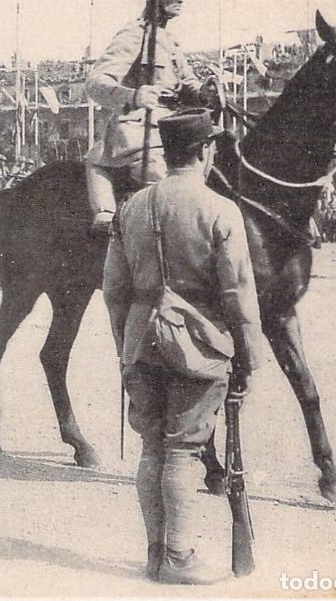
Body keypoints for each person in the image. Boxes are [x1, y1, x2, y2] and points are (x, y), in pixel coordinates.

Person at [101, 108, 266, 584]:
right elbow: (238, 294)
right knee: (182, 451)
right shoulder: (220, 209)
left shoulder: (131, 206)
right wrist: (249, 357)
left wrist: (126, 343)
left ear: (168, 152)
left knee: (152, 448)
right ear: (205, 150)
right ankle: (178, 558)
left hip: (140, 339)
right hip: (200, 345)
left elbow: (113, 288)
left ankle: (156, 554)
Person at [85, 0, 202, 233]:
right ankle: (108, 218)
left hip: (179, 128)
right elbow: (96, 83)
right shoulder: (133, 35)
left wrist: (203, 92)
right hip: (142, 129)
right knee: (163, 196)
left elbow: (188, 84)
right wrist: (134, 95)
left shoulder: (170, 41)